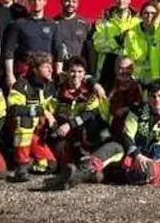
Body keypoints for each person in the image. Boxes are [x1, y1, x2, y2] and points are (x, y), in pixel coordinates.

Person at [46, 58, 117, 190]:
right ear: (66, 72)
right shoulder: (58, 90)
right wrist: (52, 122)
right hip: (66, 133)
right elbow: (48, 108)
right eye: (72, 71)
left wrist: (69, 125)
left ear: (84, 73)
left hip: (88, 132)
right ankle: (77, 171)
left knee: (95, 128)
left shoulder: (91, 91)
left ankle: (89, 169)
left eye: (80, 71)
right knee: (59, 159)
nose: (76, 75)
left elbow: (91, 113)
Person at [7, 51, 59, 181]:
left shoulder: (51, 85)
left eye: (51, 66)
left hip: (39, 134)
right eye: (46, 66)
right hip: (19, 131)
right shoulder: (21, 84)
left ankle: (26, 162)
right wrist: (41, 112)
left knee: (50, 165)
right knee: (25, 120)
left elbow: (79, 74)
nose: (51, 69)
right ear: (35, 70)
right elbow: (14, 109)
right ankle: (21, 165)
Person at [2, 0, 59, 87]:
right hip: (24, 72)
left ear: (45, 2)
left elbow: (57, 51)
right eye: (33, 0)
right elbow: (8, 51)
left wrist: (57, 73)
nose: (36, 3)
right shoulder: (19, 24)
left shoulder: (52, 25)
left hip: (46, 73)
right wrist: (10, 75)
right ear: (28, 2)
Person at [93, 0, 140, 89]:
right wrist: (116, 41)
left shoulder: (138, 22)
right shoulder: (104, 21)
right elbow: (98, 45)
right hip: (108, 67)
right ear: (114, 0)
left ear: (129, 0)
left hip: (130, 68)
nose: (121, 1)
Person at [53, 0, 93, 71]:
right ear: (61, 1)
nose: (70, 4)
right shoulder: (53, 23)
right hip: (60, 70)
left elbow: (90, 51)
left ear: (78, 3)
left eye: (74, 1)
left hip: (79, 71)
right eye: (67, 1)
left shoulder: (85, 24)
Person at [124, 3, 160, 81]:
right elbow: (126, 57)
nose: (149, 16)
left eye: (152, 13)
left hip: (156, 75)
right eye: (146, 13)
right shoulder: (131, 34)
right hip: (136, 76)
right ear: (141, 15)